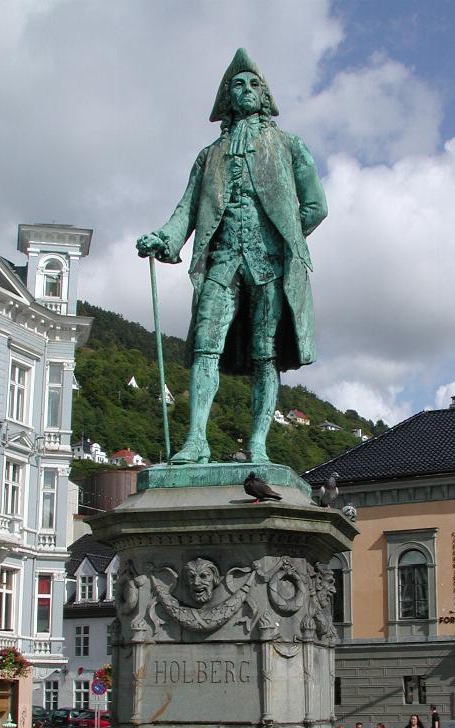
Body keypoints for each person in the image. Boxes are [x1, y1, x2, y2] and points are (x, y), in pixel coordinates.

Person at [136, 48, 327, 465]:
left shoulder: (289, 145)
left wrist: (288, 236)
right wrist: (164, 238)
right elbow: (186, 209)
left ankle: (258, 443)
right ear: (226, 96)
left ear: (265, 96)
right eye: (236, 84)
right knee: (205, 346)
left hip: (269, 264)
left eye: (253, 83)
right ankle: (196, 442)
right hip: (222, 261)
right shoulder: (209, 156)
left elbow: (316, 205)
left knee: (265, 352)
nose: (245, 89)